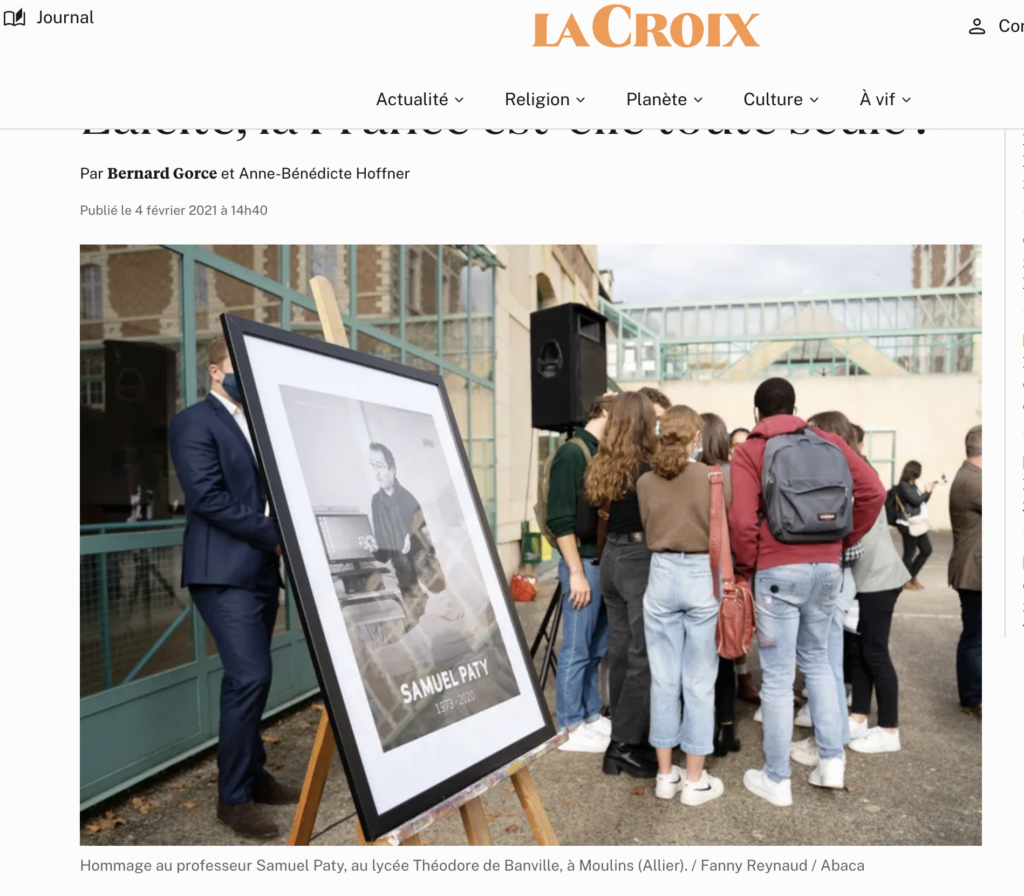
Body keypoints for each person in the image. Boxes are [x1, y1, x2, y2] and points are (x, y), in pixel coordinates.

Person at [729, 378, 885, 806]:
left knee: (778, 679)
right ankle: (832, 763)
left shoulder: (751, 450)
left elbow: (742, 522)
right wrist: (840, 537)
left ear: (757, 413)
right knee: (820, 663)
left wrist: (746, 568)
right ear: (796, 408)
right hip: (829, 569)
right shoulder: (830, 441)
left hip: (778, 571)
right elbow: (874, 491)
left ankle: (777, 779)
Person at [168, 336, 298, 839]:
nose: (247, 374)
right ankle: (234, 798)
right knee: (250, 677)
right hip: (222, 573)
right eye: (238, 365)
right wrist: (277, 536)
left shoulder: (257, 424)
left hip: (261, 571)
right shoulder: (193, 422)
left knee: (251, 679)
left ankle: (252, 773)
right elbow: (208, 498)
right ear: (216, 373)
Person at [790, 411, 908, 764]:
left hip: (878, 580)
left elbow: (851, 537)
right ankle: (858, 716)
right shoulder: (857, 470)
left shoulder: (856, 476)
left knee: (875, 653)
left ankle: (889, 730)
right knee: (858, 652)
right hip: (868, 579)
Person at [638, 406, 726, 805]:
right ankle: (693, 781)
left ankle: (664, 775)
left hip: (660, 574)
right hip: (699, 576)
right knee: (699, 681)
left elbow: (647, 525)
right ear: (696, 435)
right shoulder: (713, 478)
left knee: (664, 680)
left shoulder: (644, 482)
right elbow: (722, 532)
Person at [585, 391, 658, 777]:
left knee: (619, 649)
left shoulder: (604, 460)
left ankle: (619, 742)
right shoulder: (649, 466)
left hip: (610, 559)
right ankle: (626, 744)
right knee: (641, 656)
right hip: (637, 560)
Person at [545, 394, 615, 752]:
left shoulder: (597, 453)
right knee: (576, 647)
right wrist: (575, 571)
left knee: (593, 646)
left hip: (597, 564)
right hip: (583, 564)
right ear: (603, 412)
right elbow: (560, 519)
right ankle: (570, 724)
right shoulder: (572, 453)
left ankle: (588, 715)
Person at [699, 413, 757, 759]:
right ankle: (726, 729)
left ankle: (697, 729)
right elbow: (742, 524)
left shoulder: (685, 473)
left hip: (691, 569)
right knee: (724, 652)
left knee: (694, 656)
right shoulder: (733, 474)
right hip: (726, 571)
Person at [358, 442, 436, 622]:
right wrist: (376, 547)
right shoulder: (376, 502)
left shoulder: (409, 500)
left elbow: (427, 547)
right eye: (373, 466)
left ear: (392, 469)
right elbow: (384, 556)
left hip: (423, 579)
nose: (376, 473)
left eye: (380, 466)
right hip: (405, 583)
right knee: (419, 626)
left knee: (432, 623)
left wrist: (412, 543)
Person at [949, 425, 982, 719]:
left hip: (977, 568)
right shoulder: (974, 482)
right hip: (975, 572)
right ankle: (972, 698)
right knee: (976, 637)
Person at [896, 460, 935, 590]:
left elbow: (921, 502)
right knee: (909, 553)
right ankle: (905, 581)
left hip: (918, 522)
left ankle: (911, 576)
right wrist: (927, 492)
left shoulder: (913, 485)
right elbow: (915, 500)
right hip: (907, 524)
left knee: (926, 549)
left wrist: (928, 492)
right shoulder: (903, 485)